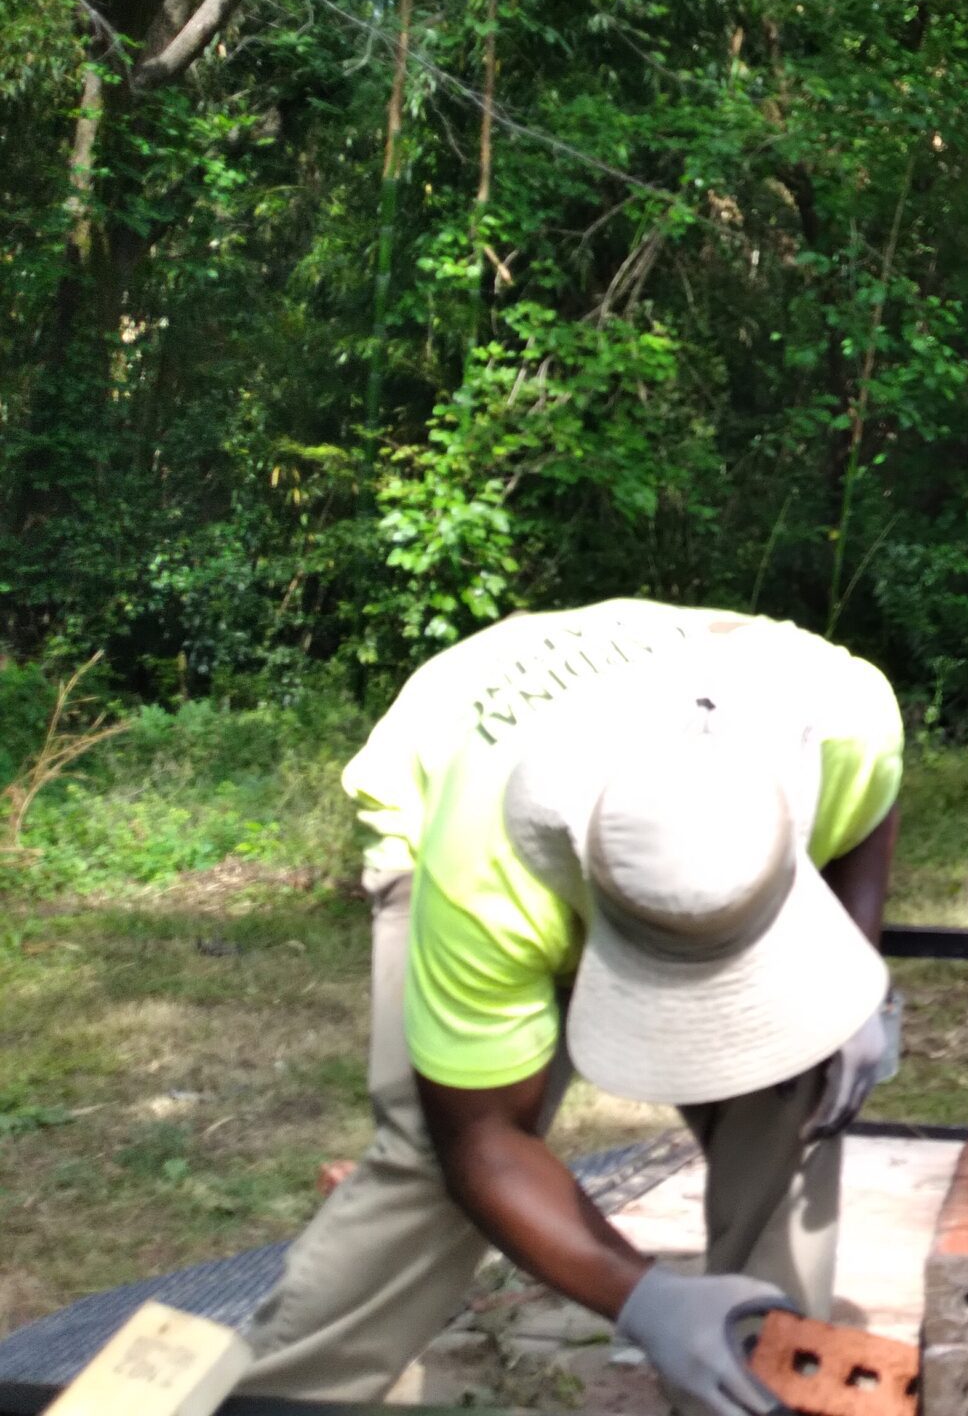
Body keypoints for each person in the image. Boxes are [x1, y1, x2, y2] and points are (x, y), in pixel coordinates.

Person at [237, 599, 904, 1416]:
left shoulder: (834, 720)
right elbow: (479, 1138)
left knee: (803, 1080)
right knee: (426, 1156)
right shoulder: (480, 877)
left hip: (660, 721)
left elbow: (873, 805)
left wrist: (856, 978)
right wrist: (645, 1301)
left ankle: (755, 1375)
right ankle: (283, 1394)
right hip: (457, 775)